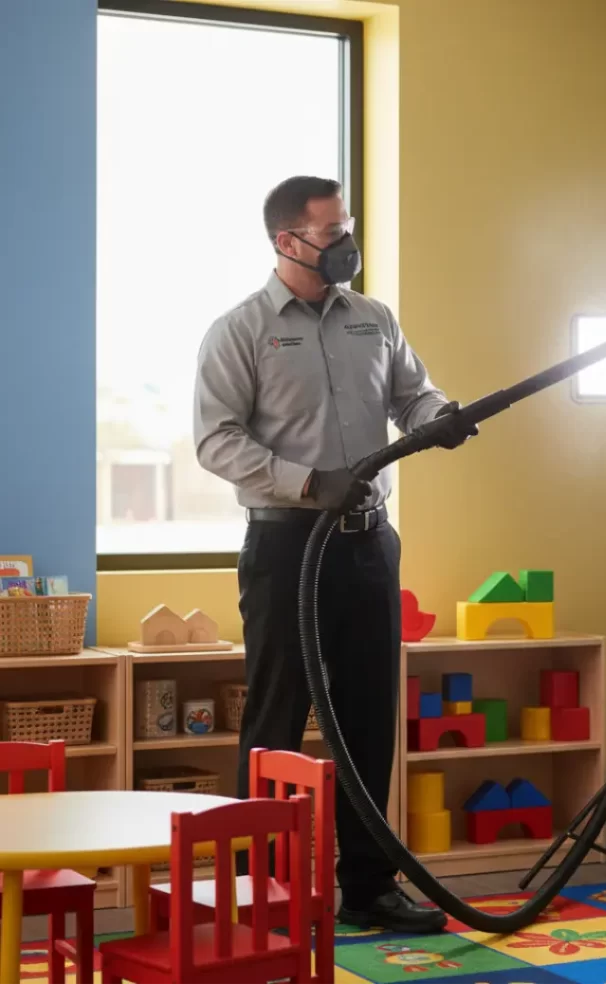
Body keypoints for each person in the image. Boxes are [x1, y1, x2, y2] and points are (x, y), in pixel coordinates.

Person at [193, 175, 477, 933]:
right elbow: (216, 441)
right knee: (277, 718)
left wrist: (440, 417)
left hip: (367, 547)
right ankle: (261, 897)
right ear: (286, 242)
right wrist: (309, 482)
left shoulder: (373, 320)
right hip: (286, 547)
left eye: (346, 227)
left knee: (366, 719)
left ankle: (370, 890)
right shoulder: (240, 331)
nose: (344, 244)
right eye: (329, 233)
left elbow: (412, 395)